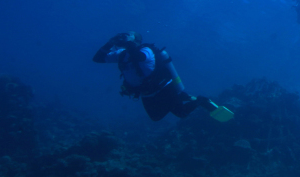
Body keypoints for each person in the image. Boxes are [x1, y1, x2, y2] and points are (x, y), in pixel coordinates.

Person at [92, 32, 233, 122]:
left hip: (163, 88)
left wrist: (129, 43)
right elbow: (97, 58)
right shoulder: (121, 54)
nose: (124, 39)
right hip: (146, 93)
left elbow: (139, 57)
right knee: (156, 117)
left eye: (128, 36)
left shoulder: (146, 50)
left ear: (136, 40)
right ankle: (182, 97)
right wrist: (110, 42)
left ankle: (201, 100)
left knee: (181, 113)